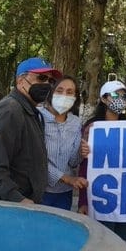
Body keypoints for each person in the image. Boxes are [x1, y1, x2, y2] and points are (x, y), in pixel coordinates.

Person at [0, 57, 61, 203]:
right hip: (11, 208)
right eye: (41, 78)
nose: (47, 85)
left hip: (24, 204)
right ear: (20, 81)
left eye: (51, 81)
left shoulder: (30, 111)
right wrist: (18, 199)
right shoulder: (10, 110)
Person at [77, 80, 126, 245]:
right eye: (115, 95)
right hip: (101, 198)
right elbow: (85, 166)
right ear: (103, 99)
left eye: (124, 95)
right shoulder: (92, 128)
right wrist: (83, 201)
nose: (121, 99)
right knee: (104, 244)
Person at [39, 75, 89, 210]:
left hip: (64, 193)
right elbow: (36, 159)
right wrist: (67, 178)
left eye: (69, 92)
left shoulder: (75, 122)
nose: (64, 95)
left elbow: (73, 162)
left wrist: (81, 152)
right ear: (51, 92)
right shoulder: (37, 117)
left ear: (75, 97)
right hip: (39, 191)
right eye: (59, 91)